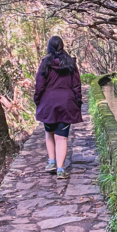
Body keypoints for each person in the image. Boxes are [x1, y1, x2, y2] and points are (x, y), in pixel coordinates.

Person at [34, 36, 82, 178]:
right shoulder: (70, 63)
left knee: (49, 133)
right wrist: (77, 101)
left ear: (49, 47)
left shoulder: (45, 63)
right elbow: (76, 85)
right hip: (66, 103)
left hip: (48, 104)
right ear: (62, 46)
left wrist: (37, 100)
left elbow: (39, 85)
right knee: (62, 137)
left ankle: (52, 162)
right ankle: (61, 170)